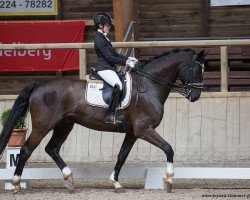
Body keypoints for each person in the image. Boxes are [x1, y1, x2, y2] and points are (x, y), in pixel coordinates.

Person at [93, 12, 138, 124]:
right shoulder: (99, 39)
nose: (109, 27)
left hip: (109, 68)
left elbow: (114, 54)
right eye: (107, 25)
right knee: (118, 86)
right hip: (104, 68)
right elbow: (109, 58)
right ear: (100, 25)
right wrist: (126, 62)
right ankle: (110, 115)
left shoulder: (104, 38)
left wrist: (128, 58)